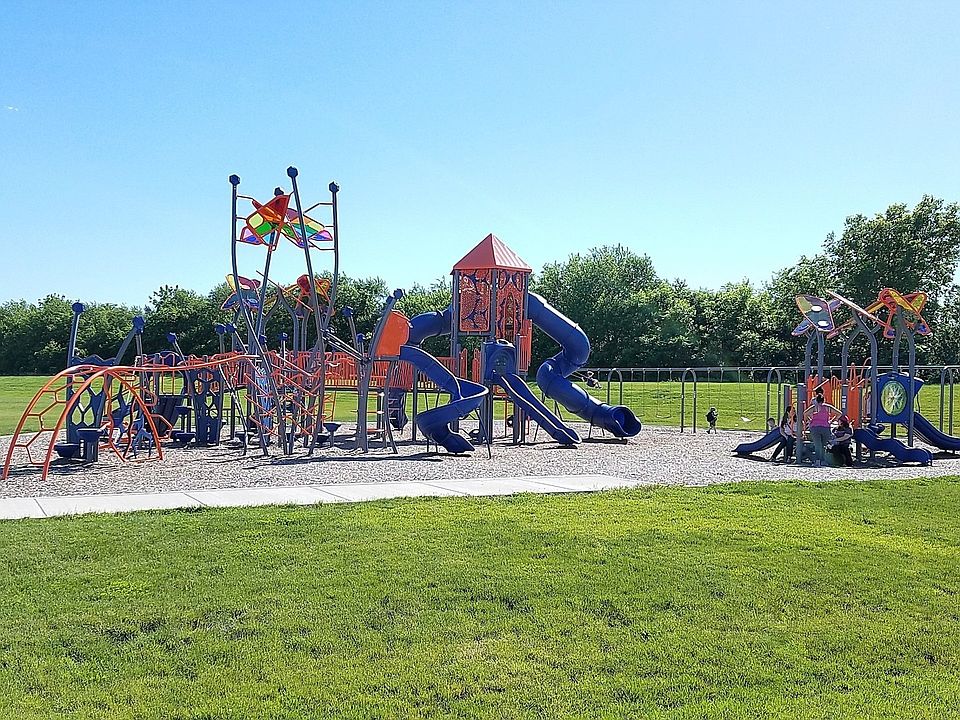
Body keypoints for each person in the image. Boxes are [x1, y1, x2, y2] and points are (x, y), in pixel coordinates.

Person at [804, 394, 839, 467]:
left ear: (816, 400)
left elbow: (805, 413)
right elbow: (839, 413)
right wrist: (831, 421)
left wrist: (810, 420)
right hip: (826, 427)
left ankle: (817, 461)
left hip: (815, 427)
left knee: (817, 445)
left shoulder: (815, 407)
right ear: (824, 400)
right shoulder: (828, 407)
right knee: (823, 445)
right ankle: (823, 460)